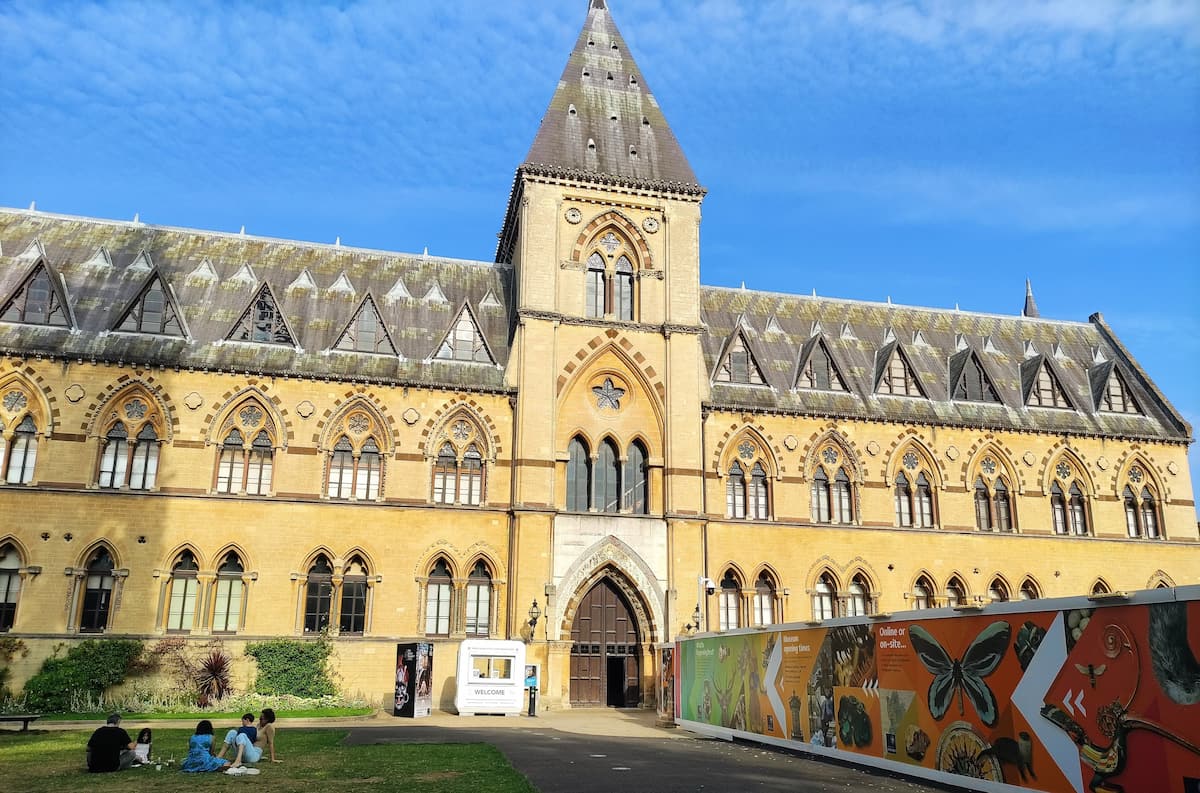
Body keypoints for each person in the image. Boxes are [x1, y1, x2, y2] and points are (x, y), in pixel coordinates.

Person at [220, 708, 279, 773]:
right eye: (259, 718)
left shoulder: (269, 727)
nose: (260, 720)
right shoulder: (258, 725)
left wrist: (272, 759)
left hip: (254, 754)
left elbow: (271, 743)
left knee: (242, 735)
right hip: (247, 751)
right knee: (232, 732)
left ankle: (238, 761)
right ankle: (219, 758)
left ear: (267, 719)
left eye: (261, 719)